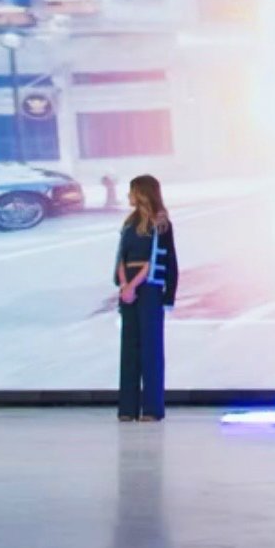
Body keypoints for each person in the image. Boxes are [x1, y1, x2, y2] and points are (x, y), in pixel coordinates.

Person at [115, 175, 179, 423]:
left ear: (142, 193)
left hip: (149, 287)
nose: (128, 196)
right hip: (129, 288)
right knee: (129, 348)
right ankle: (127, 408)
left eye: (132, 191)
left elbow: (160, 259)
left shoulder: (160, 223)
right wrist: (124, 285)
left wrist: (134, 285)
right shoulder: (129, 223)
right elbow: (121, 256)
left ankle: (152, 408)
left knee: (151, 349)